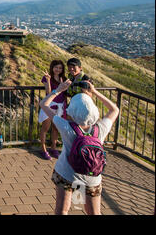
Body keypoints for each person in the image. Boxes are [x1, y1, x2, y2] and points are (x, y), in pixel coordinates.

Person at [40, 80, 119, 215]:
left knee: (62, 210)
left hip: (67, 174)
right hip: (91, 176)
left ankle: (76, 206)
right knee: (93, 212)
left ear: (72, 110)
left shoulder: (66, 126)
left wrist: (58, 90)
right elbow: (115, 109)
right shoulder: (101, 128)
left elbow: (44, 104)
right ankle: (78, 207)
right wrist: (94, 91)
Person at [38, 60, 67, 160]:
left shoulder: (63, 78)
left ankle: (53, 148)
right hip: (49, 105)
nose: (58, 70)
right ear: (52, 67)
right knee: (45, 128)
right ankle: (43, 149)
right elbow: (48, 92)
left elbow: (65, 93)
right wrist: (48, 80)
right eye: (56, 67)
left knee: (56, 128)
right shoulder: (46, 77)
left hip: (60, 106)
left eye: (60, 68)